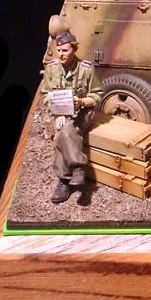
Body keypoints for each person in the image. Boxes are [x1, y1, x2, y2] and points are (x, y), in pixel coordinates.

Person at [41, 31, 103, 204]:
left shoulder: (86, 68)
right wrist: (58, 113)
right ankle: (77, 169)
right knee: (65, 129)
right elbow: (45, 95)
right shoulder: (52, 68)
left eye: (65, 50)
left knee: (65, 130)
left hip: (83, 112)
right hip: (60, 113)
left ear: (74, 49)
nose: (61, 54)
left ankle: (64, 180)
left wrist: (81, 101)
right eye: (59, 50)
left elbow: (97, 95)